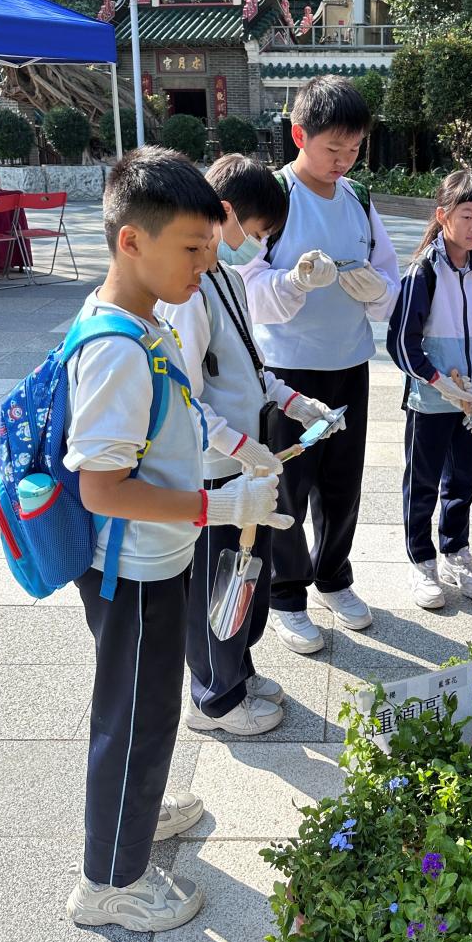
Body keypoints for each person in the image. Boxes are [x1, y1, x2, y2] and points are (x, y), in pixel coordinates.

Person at [65, 147, 290, 932]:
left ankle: (140, 808)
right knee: (134, 717)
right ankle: (109, 882)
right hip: (128, 570)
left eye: (210, 245)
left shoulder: (146, 323)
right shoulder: (115, 350)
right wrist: (216, 506)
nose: (207, 263)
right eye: (192, 248)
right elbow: (100, 487)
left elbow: (181, 415)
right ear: (131, 240)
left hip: (155, 558)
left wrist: (236, 451)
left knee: (153, 707)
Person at [159, 155, 336, 736]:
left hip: (245, 462)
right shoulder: (188, 294)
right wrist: (238, 445)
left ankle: (237, 668)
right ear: (225, 215)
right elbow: (183, 397)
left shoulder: (229, 281)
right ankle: (214, 697)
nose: (259, 248)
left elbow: (252, 371)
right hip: (215, 470)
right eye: (257, 234)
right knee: (220, 581)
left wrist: (296, 403)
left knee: (246, 577)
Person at [239, 77, 401, 654]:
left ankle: (333, 575)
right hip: (288, 370)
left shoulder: (358, 198)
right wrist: (293, 281)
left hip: (348, 362)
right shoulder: (275, 197)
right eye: (333, 148)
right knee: (287, 486)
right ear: (298, 135)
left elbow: (389, 275)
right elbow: (246, 283)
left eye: (354, 148)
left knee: (341, 483)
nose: (343, 160)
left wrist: (375, 289)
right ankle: (287, 594)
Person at [386, 170, 472, 609]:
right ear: (443, 216)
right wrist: (440, 383)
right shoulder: (423, 271)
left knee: (462, 481)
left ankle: (457, 551)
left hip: (471, 404)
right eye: (466, 215)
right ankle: (421, 560)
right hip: (431, 402)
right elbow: (402, 343)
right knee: (422, 482)